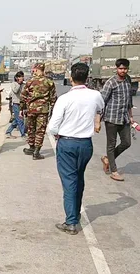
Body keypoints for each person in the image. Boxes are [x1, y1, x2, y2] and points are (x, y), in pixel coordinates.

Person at [47, 63, 104, 235]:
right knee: (79, 178)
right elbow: (100, 109)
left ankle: (71, 221)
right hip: (85, 144)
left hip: (67, 143)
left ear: (71, 78)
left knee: (69, 182)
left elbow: (52, 127)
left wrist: (57, 135)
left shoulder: (64, 99)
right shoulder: (95, 95)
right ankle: (75, 215)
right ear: (87, 78)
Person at [100, 58, 134, 181]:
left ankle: (108, 158)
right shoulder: (111, 83)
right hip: (111, 118)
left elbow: (129, 100)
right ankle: (114, 171)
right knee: (111, 144)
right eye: (120, 68)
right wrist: (98, 118)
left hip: (124, 118)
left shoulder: (128, 80)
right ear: (116, 69)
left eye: (125, 69)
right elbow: (102, 101)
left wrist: (131, 116)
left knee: (127, 143)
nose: (123, 71)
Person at [20, 63, 57, 160]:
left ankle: (31, 147)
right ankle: (36, 151)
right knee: (40, 131)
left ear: (36, 70)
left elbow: (23, 96)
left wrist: (21, 109)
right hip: (43, 110)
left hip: (31, 109)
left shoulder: (30, 81)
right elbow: (53, 97)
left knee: (31, 129)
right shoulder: (49, 82)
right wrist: (53, 109)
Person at [5, 71, 26, 139]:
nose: (21, 78)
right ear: (17, 78)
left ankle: (8, 132)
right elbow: (15, 91)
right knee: (20, 120)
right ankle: (23, 134)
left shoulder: (23, 85)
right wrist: (19, 83)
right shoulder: (14, 84)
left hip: (22, 104)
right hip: (16, 104)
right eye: (20, 77)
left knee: (17, 120)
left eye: (22, 76)